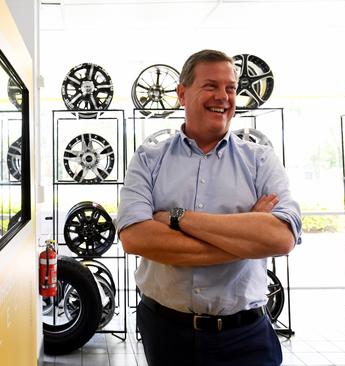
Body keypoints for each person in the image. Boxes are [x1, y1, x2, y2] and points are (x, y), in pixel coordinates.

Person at [117, 49, 302, 366]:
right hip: (166, 331)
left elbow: (281, 238)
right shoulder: (149, 158)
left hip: (246, 335)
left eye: (230, 88)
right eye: (211, 86)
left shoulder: (260, 160)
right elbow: (136, 239)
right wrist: (246, 236)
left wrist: (177, 219)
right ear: (181, 93)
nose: (224, 96)